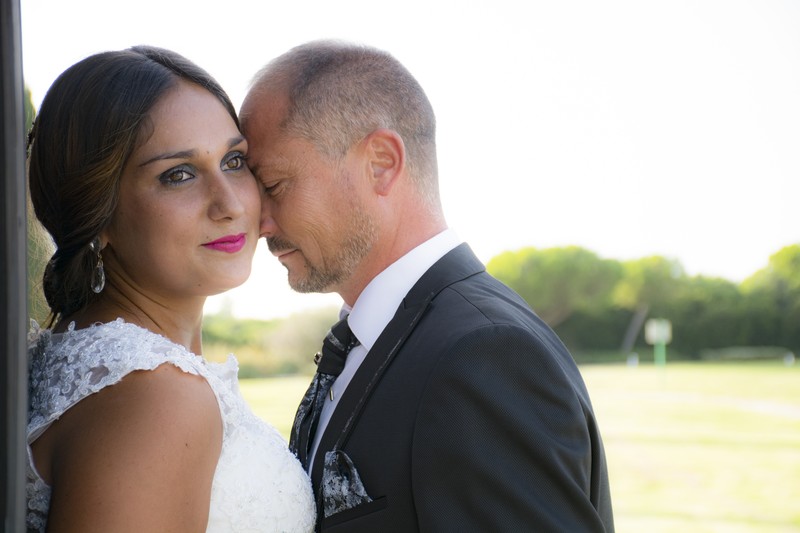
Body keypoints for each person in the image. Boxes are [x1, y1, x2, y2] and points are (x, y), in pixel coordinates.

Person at [240, 40, 614, 532]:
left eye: (273, 185)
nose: (260, 223)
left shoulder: (484, 356)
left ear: (381, 163)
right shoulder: (371, 340)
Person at [25, 46, 315, 532]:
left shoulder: (100, 364)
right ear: (98, 212)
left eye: (234, 161)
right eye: (178, 175)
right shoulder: (157, 395)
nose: (229, 204)